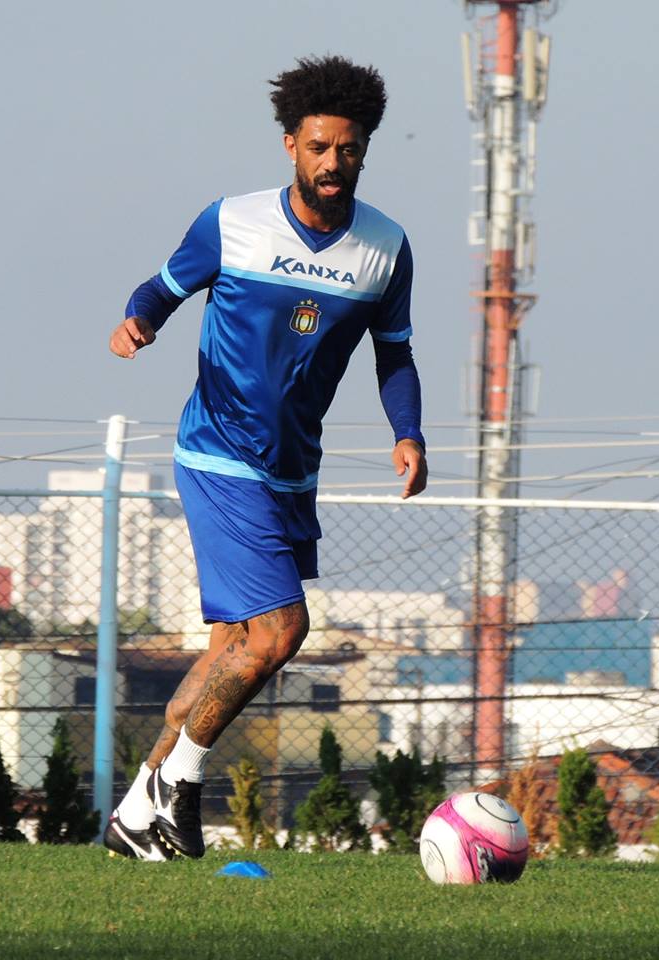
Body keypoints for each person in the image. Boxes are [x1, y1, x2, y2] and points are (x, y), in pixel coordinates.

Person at [103, 55, 428, 861]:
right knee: (280, 632)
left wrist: (408, 432)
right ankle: (179, 785)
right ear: (290, 144)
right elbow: (163, 286)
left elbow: (395, 355)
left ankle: (136, 811)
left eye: (347, 149)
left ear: (363, 151)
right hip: (217, 455)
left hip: (291, 470)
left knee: (228, 653)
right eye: (318, 147)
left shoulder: (385, 247)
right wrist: (137, 322)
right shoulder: (232, 221)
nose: (332, 163)